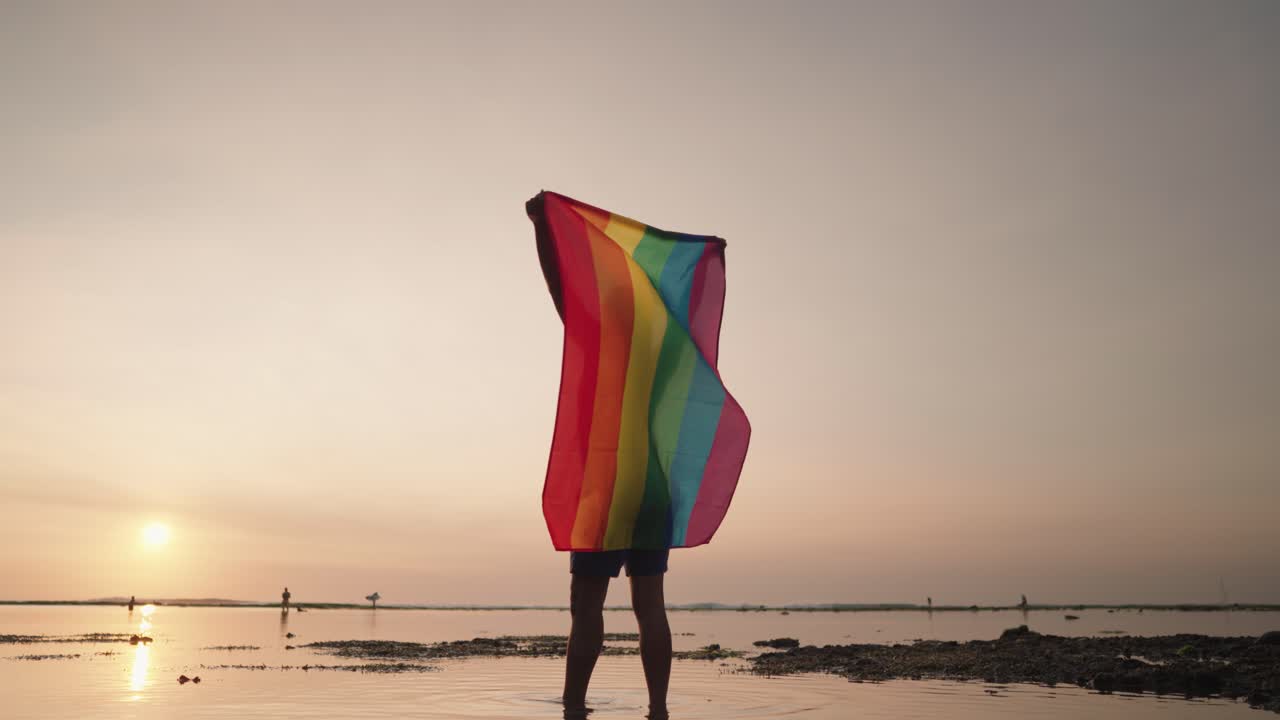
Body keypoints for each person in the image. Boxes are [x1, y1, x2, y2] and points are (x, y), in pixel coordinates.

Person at [563, 549, 670, 720]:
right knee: (651, 603)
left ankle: (573, 709)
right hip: (652, 521)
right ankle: (659, 710)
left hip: (601, 522)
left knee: (586, 600)